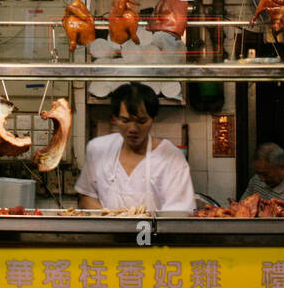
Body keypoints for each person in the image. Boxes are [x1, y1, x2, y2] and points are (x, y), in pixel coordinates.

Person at [77, 82, 195, 212]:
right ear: (115, 118)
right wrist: (109, 217)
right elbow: (86, 196)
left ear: (153, 119)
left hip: (155, 232)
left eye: (142, 121)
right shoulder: (99, 149)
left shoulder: (171, 158)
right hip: (107, 231)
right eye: (125, 121)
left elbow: (179, 213)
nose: (133, 129)